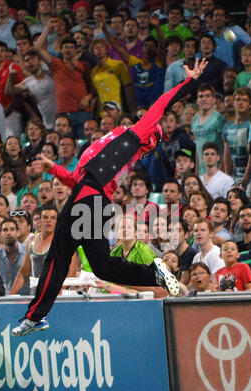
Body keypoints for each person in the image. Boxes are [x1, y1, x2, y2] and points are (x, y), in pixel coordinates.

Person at [12, 58, 207, 336]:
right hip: (93, 202)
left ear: (150, 136)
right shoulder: (106, 145)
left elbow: (163, 102)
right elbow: (75, 177)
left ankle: (34, 315)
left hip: (87, 200)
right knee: (103, 267)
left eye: (155, 130)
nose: (152, 126)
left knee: (58, 256)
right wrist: (52, 167)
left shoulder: (137, 135)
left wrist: (190, 81)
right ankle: (155, 273)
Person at [5, 49, 57, 131]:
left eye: (32, 59)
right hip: (47, 125)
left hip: (62, 121)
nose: (30, 62)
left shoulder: (51, 75)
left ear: (40, 61)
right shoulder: (28, 82)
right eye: (27, 60)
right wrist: (10, 78)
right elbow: (9, 91)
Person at [0, 40, 24, 138]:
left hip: (10, 113)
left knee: (11, 140)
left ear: (7, 53)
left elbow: (21, 91)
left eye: (2, 50)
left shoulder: (13, 67)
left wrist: (10, 108)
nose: (0, 53)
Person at [191, 84, 226, 175]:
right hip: (202, 172)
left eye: (207, 96)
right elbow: (197, 147)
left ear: (213, 99)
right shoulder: (194, 120)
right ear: (197, 100)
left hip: (217, 170)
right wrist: (196, 172)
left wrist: (221, 170)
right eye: (201, 96)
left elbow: (226, 146)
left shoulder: (219, 119)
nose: (204, 99)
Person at [0, 217, 29, 295]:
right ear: (0, 234)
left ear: (18, 232)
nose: (8, 233)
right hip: (8, 301)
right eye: (5, 230)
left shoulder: (28, 251)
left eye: (12, 229)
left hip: (29, 299)